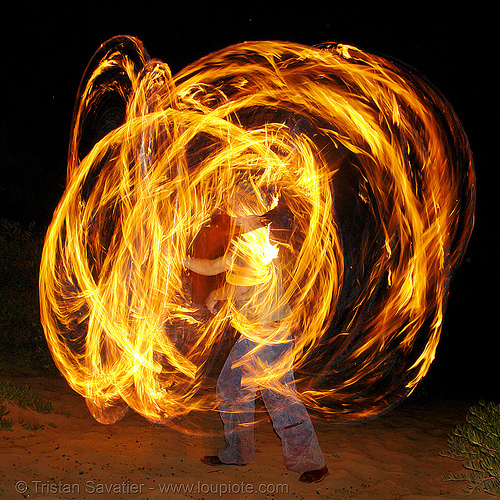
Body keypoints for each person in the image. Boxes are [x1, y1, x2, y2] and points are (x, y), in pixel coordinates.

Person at [184, 187, 328, 483]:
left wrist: (219, 294)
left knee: (280, 398)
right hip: (255, 335)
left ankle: (311, 462)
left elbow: (242, 283)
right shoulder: (243, 244)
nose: (231, 210)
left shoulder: (261, 243)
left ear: (254, 211)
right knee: (231, 389)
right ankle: (237, 453)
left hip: (270, 336)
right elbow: (214, 266)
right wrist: (180, 260)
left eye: (238, 204)